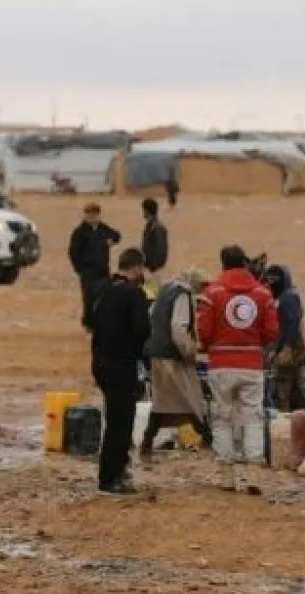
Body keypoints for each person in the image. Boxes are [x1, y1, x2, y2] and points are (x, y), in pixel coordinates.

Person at [198, 245, 277, 492]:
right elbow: (272, 331)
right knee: (253, 417)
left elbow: (204, 331)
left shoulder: (212, 293)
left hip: (221, 365)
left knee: (222, 417)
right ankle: (253, 475)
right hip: (252, 365)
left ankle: (227, 476)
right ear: (244, 263)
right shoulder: (263, 294)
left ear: (222, 264)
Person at [90, 247, 153, 495]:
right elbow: (143, 330)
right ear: (137, 268)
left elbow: (90, 321)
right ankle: (111, 477)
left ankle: (111, 472)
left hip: (100, 363)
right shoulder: (133, 294)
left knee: (113, 418)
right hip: (121, 365)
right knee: (121, 422)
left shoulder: (102, 290)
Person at [140, 268, 212, 461]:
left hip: (155, 352)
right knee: (191, 398)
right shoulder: (183, 295)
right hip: (172, 355)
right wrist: (189, 352)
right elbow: (178, 328)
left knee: (162, 400)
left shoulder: (165, 290)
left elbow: (151, 314)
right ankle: (209, 438)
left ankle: (147, 441)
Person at [262, 263, 305, 412]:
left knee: (282, 392)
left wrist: (286, 348)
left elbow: (291, 324)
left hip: (288, 352)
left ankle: (286, 423)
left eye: (274, 279)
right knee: (296, 391)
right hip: (288, 350)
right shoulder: (285, 296)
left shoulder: (287, 298)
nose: (270, 283)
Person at [68, 203, 122, 330]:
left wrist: (111, 241)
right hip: (88, 271)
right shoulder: (80, 232)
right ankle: (88, 324)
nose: (92, 217)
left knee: (104, 297)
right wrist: (80, 269)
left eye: (95, 214)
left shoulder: (103, 229)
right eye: (90, 214)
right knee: (89, 298)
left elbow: (117, 235)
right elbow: (73, 252)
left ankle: (101, 322)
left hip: (103, 269)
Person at [140, 198, 169, 290]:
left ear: (147, 211)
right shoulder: (151, 226)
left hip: (153, 269)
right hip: (149, 268)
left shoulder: (157, 228)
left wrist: (153, 267)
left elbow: (161, 250)